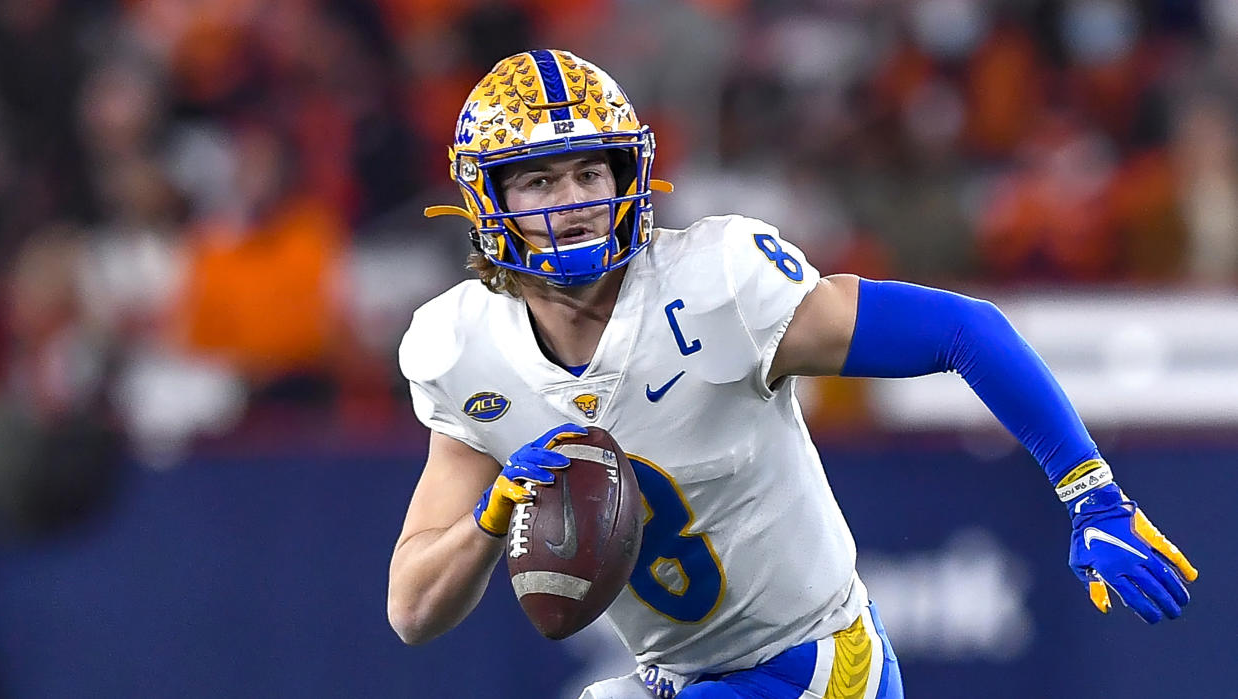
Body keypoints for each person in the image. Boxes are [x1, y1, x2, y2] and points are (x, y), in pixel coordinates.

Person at [386, 50, 1197, 699]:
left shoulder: (719, 284)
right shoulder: (461, 348)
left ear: (626, 177)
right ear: (484, 196)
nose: (576, 200)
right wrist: (490, 519)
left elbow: (964, 329)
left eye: (591, 172)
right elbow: (413, 609)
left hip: (816, 666)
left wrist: (1092, 492)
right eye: (539, 178)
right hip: (676, 680)